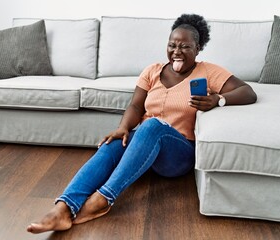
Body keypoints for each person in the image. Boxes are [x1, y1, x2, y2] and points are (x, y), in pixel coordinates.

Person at [27, 13, 257, 234]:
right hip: (145, 146)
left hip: (178, 155)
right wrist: (123, 128)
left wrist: (218, 99)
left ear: (198, 48)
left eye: (185, 46)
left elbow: (247, 92)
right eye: (172, 45)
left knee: (152, 126)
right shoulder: (153, 71)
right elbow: (136, 106)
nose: (177, 51)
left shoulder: (208, 71)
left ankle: (103, 199)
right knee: (114, 143)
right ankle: (63, 208)